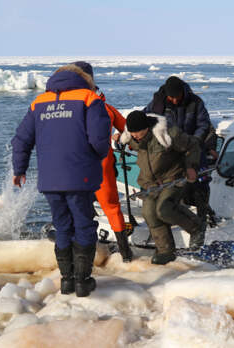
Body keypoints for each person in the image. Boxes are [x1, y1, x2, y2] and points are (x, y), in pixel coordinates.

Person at [11, 63, 110, 297]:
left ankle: (66, 280)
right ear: (85, 78)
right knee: (84, 225)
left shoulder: (39, 102)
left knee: (62, 226)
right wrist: (96, 155)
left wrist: (19, 169)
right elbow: (99, 138)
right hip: (80, 175)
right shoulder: (88, 98)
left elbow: (21, 140)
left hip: (50, 178)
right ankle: (82, 282)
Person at [121, 110, 205, 265]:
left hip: (172, 179)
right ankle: (166, 251)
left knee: (164, 209)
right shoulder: (132, 137)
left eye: (137, 132)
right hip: (149, 184)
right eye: (131, 133)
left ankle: (196, 227)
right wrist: (116, 139)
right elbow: (125, 140)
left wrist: (191, 167)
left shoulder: (168, 134)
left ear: (146, 128)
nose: (134, 136)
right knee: (149, 213)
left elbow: (193, 145)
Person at [72, 61, 133, 263]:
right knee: (112, 207)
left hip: (77, 164)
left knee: (77, 207)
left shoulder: (68, 107)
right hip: (102, 164)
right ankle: (126, 255)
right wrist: (124, 141)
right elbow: (127, 129)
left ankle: (83, 254)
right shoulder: (106, 108)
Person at [144, 76, 217, 226]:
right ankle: (173, 219)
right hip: (169, 152)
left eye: (177, 97)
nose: (175, 100)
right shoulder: (158, 103)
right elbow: (144, 120)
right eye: (172, 98)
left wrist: (194, 142)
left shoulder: (195, 102)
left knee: (200, 182)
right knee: (170, 186)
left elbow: (203, 124)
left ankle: (203, 218)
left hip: (192, 148)